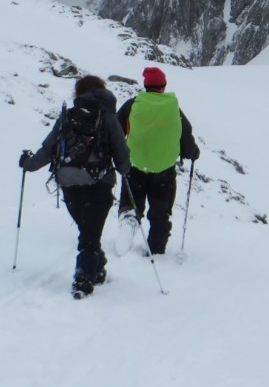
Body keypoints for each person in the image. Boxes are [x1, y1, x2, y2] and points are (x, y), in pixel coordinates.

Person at [19, 75, 129, 297]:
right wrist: (125, 170)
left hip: (70, 183)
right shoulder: (108, 118)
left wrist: (28, 164)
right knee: (90, 233)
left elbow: (48, 148)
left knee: (87, 231)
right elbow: (121, 153)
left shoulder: (68, 117)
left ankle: (96, 267)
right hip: (100, 183)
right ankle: (84, 279)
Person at [116, 66, 199, 255]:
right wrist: (192, 152)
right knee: (160, 213)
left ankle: (129, 221)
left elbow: (115, 129)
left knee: (132, 203)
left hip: (134, 166)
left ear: (146, 86)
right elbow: (186, 137)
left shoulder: (132, 105)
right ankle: (156, 250)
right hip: (164, 171)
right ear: (163, 86)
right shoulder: (173, 108)